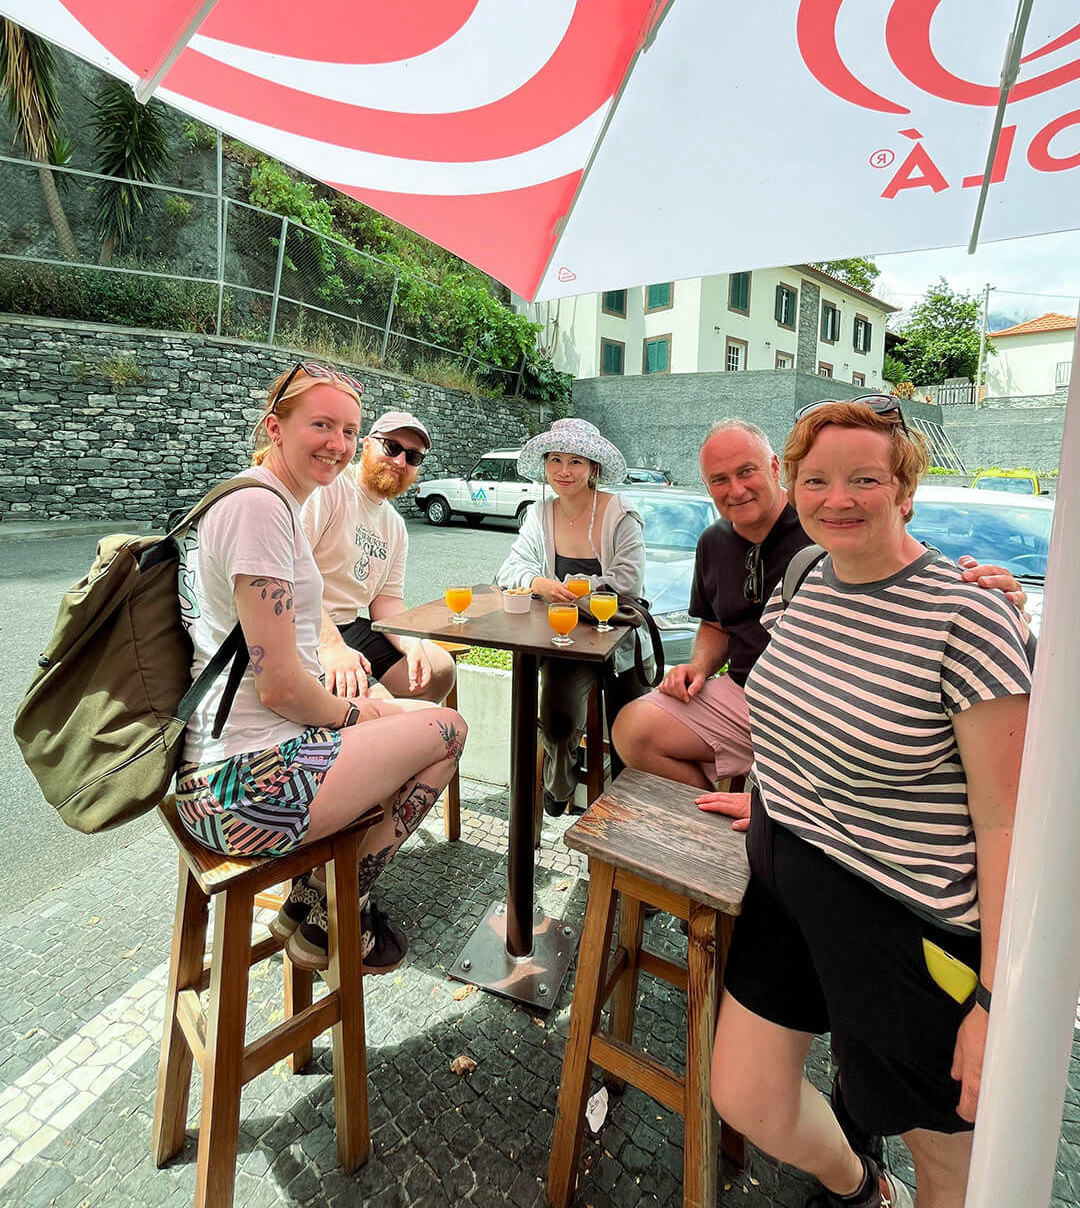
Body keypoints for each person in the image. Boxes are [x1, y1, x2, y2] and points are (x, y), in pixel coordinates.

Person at [710, 399, 1031, 1208]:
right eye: (816, 479)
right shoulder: (806, 576)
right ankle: (861, 1190)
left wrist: (995, 1000)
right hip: (787, 881)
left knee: (950, 1170)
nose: (837, 498)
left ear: (905, 490)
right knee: (744, 1093)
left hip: (905, 925)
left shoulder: (971, 616)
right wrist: (771, 793)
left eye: (864, 479)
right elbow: (804, 704)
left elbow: (1005, 824)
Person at [174, 362, 468, 974]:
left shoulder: (273, 502)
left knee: (423, 711)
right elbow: (281, 685)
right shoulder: (259, 509)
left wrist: (376, 701)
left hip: (254, 762)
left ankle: (313, 901)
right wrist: (359, 709)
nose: (334, 443)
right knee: (449, 731)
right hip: (238, 792)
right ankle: (338, 903)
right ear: (275, 426)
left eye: (346, 427)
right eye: (321, 425)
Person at [612, 415, 1026, 831]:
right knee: (633, 730)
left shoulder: (826, 529)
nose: (735, 489)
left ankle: (771, 821)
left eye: (746, 471)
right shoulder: (715, 542)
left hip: (835, 704)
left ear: (776, 469)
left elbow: (900, 566)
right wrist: (698, 667)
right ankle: (716, 837)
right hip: (749, 692)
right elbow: (717, 623)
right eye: (719, 479)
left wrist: (990, 596)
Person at [495, 418, 649, 816]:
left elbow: (628, 581)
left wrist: (581, 588)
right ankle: (560, 782)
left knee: (631, 731)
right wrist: (539, 583)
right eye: (557, 460)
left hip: (619, 639)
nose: (565, 471)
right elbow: (510, 570)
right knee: (559, 720)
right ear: (545, 464)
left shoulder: (620, 512)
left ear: (593, 468)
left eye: (577, 462)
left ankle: (626, 812)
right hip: (564, 639)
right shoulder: (539, 513)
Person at [301, 411, 455, 704]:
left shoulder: (395, 525)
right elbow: (289, 574)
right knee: (378, 702)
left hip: (349, 625)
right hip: (305, 624)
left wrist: (411, 642)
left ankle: (400, 730)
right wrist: (329, 644)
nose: (400, 462)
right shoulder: (330, 489)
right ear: (367, 444)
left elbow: (386, 601)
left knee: (439, 668)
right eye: (392, 447)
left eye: (413, 456)